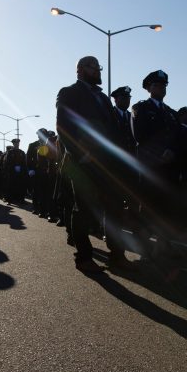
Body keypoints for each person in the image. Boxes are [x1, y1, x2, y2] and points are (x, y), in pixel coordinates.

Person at [56, 55, 136, 272]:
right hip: (82, 162)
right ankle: (83, 258)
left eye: (99, 67)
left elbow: (113, 131)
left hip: (107, 165)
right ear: (80, 70)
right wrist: (81, 154)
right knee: (84, 210)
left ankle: (117, 255)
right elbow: (64, 127)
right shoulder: (70, 92)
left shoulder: (103, 97)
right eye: (93, 67)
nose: (98, 71)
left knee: (114, 209)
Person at [131, 70, 181, 258]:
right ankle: (143, 245)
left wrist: (172, 151)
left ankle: (164, 244)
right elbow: (140, 136)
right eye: (157, 85)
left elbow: (179, 138)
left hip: (169, 168)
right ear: (149, 88)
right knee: (148, 207)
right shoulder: (140, 108)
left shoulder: (171, 113)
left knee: (166, 208)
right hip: (150, 166)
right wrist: (160, 153)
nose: (161, 88)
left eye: (164, 85)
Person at [3, 138, 27, 204]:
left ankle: (21, 199)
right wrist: (13, 167)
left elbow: (24, 163)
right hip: (12, 172)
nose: (17, 144)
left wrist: (21, 168)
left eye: (18, 143)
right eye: (15, 143)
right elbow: (6, 162)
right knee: (11, 187)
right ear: (13, 144)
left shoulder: (21, 152)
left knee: (20, 186)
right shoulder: (10, 152)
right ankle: (10, 200)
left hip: (20, 172)